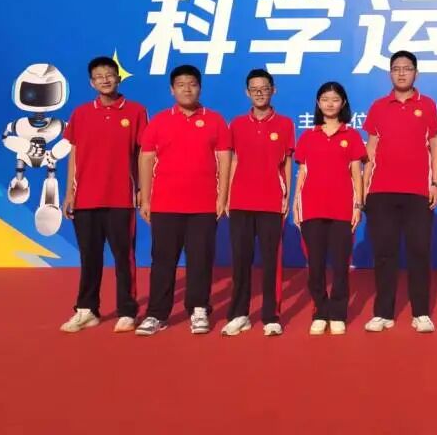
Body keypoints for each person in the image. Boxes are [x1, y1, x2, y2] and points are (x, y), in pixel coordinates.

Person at [135, 65, 231, 337]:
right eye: (181, 84)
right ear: (171, 89)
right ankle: (157, 313)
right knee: (162, 261)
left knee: (200, 260)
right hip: (165, 204)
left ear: (200, 88)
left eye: (192, 84)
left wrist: (222, 197)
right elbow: (146, 159)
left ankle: (199, 309)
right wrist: (145, 197)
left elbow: (225, 160)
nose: (187, 89)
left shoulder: (215, 120)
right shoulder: (159, 121)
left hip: (203, 205)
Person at [59, 56, 147, 333]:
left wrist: (143, 190)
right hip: (86, 198)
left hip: (121, 197)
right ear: (91, 82)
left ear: (118, 78)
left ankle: (127, 311)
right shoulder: (81, 113)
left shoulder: (136, 111)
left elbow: (144, 153)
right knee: (89, 257)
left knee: (124, 257)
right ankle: (87, 310)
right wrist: (69, 192)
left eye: (109, 75)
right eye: (99, 77)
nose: (105, 80)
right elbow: (74, 154)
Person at [362, 51, 437, 333]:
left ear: (416, 73)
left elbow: (435, 146)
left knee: (419, 251)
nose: (401, 73)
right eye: (396, 68)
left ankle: (421, 312)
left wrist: (435, 183)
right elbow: (371, 148)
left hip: (418, 191)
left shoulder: (428, 105)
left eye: (407, 68)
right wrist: (364, 187)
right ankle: (383, 312)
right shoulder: (378, 106)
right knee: (384, 253)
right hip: (381, 191)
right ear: (390, 73)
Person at [222, 69, 295, 337]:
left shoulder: (285, 124)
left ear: (273, 90)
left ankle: (271, 316)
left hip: (271, 202)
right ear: (247, 92)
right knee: (240, 260)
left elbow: (287, 163)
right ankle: (239, 314)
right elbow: (234, 160)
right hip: (241, 201)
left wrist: (286, 196)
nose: (260, 93)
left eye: (264, 88)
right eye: (254, 89)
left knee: (271, 262)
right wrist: (227, 195)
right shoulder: (237, 124)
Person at [293, 82, 366, 335]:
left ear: (343, 103)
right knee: (315, 265)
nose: (330, 104)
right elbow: (302, 174)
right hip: (312, 208)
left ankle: (337, 313)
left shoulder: (351, 136)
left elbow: (357, 174)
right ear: (318, 103)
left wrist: (358, 205)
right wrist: (296, 204)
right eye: (325, 99)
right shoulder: (308, 136)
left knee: (340, 265)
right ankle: (320, 311)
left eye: (335, 99)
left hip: (342, 209)